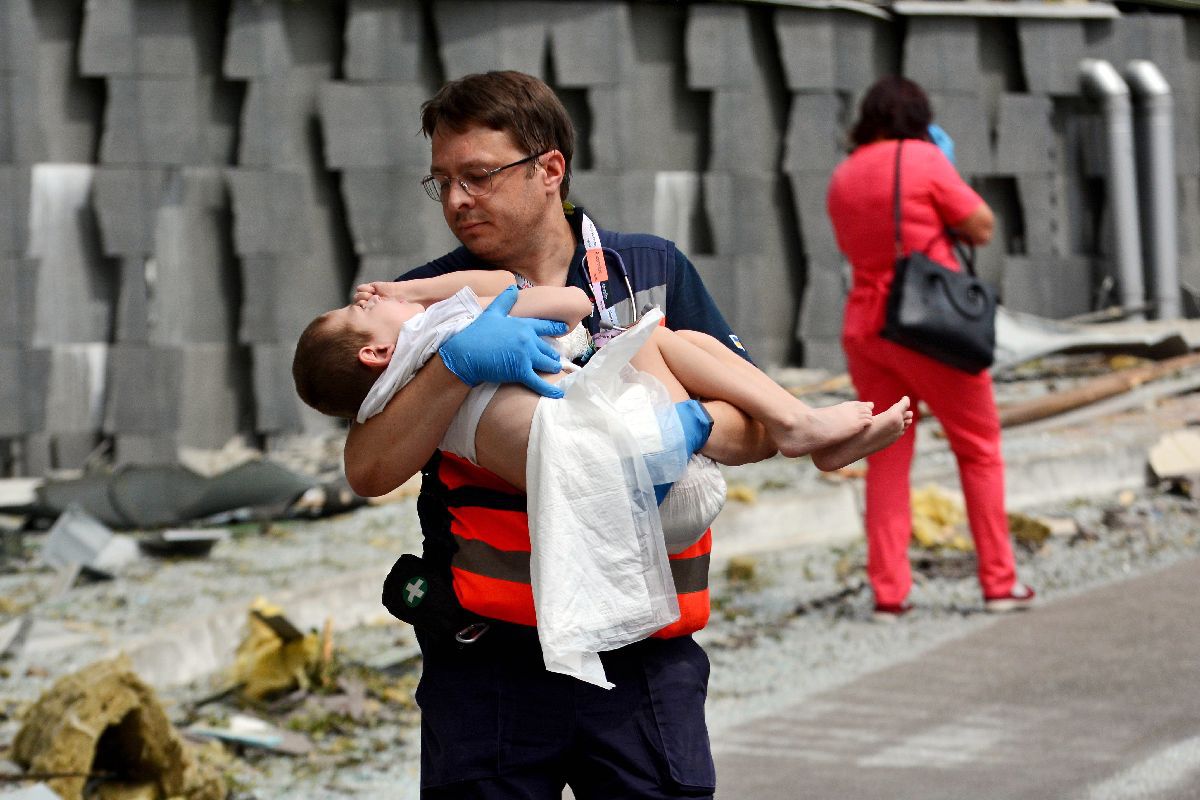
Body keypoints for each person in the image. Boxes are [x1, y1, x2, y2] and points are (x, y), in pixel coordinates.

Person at [337, 69, 786, 799]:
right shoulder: (425, 303)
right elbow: (367, 466)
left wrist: (680, 429)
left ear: (550, 170)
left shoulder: (651, 271)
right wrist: (452, 365)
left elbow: (760, 425)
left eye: (478, 176)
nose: (455, 200)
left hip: (640, 656)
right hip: (489, 659)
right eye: (442, 181)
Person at [825, 75, 1036, 622]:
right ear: (919, 119)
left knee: (887, 457)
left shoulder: (843, 174)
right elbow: (982, 226)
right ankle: (998, 582)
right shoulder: (922, 159)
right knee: (979, 448)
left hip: (866, 327)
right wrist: (944, 171)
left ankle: (889, 595)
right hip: (928, 323)